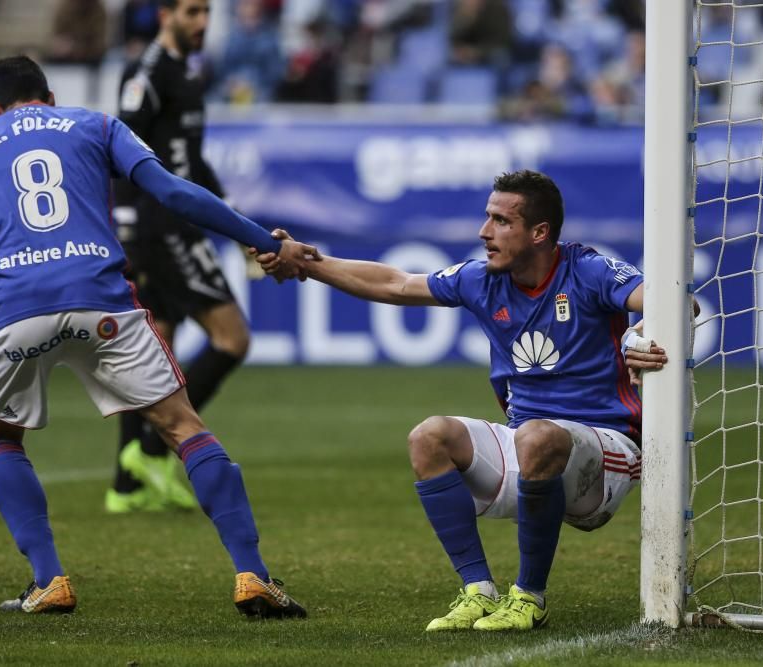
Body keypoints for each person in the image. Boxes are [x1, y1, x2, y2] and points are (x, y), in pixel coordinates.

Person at [0, 55, 314, 618]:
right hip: (103, 301)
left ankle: (49, 581)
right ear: (47, 94)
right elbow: (175, 192)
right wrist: (262, 239)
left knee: (1, 438)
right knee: (183, 426)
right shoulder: (95, 124)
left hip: (16, 310)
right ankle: (252, 575)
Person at [256, 169, 646, 632]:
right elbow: (396, 284)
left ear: (540, 233)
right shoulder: (481, 280)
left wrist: (638, 334)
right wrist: (309, 263)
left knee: (538, 435)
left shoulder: (587, 271)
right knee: (430, 437)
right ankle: (479, 592)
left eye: (501, 221)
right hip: (530, 447)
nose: (484, 232)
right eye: (487, 217)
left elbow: (671, 300)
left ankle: (529, 599)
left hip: (607, 456)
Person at [108, 0, 253, 514]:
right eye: (191, 12)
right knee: (232, 337)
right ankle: (150, 450)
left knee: (156, 346)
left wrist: (236, 223)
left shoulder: (185, 73)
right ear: (165, 13)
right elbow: (118, 152)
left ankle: (128, 482)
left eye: (206, 13)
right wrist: (124, 225)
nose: (202, 23)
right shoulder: (146, 74)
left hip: (174, 223)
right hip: (159, 228)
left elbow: (192, 162)